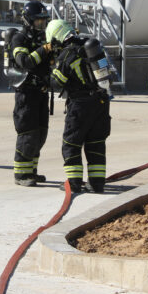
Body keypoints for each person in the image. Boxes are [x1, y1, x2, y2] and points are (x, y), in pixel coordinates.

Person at [47, 19, 111, 194]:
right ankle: (97, 184)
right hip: (101, 102)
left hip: (80, 105)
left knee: (71, 143)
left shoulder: (67, 54)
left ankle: (74, 183)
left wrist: (50, 71)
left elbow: (57, 82)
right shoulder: (90, 47)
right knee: (96, 143)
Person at [8, 0, 53, 187]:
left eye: (43, 21)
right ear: (28, 20)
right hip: (26, 94)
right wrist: (44, 49)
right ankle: (21, 175)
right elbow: (24, 61)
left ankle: (31, 171)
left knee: (41, 134)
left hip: (41, 92)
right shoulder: (19, 39)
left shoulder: (44, 39)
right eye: (37, 21)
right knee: (28, 133)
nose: (41, 25)